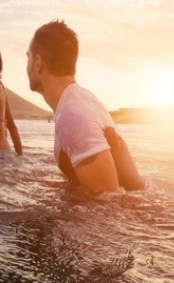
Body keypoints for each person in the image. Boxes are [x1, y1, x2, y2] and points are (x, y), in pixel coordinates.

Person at [26, 20, 143, 194]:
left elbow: (110, 204)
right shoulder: (81, 100)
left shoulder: (72, 115)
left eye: (28, 57)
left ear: (37, 62)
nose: (27, 65)